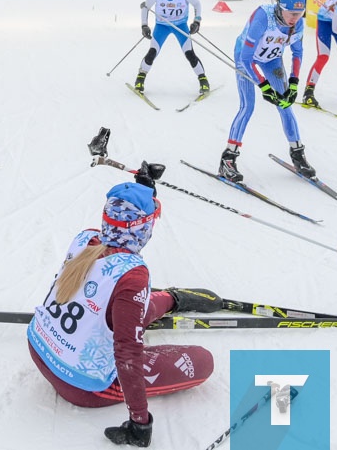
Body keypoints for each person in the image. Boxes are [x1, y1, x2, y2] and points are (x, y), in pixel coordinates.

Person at [27, 164, 217, 448]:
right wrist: (140, 422)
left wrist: (144, 190)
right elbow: (127, 352)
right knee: (202, 361)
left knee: (126, 309)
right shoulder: (133, 274)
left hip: (39, 351)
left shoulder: (85, 239)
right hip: (81, 386)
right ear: (145, 228)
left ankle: (172, 299)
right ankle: (168, 300)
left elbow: (124, 218)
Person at [219, 0, 316, 181]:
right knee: (248, 106)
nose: (294, 19)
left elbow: (297, 53)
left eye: (299, 14)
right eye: (291, 13)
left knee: (285, 104)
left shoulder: (297, 25)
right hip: (246, 58)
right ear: (281, 7)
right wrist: (263, 85)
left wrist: (294, 83)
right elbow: (246, 58)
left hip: (272, 59)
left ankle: (297, 154)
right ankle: (228, 159)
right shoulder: (263, 17)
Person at [134, 0, 209, 95]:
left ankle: (203, 79)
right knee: (152, 52)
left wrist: (197, 21)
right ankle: (140, 78)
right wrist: (144, 26)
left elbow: (197, 4)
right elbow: (145, 7)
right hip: (162, 26)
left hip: (180, 25)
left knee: (189, 53)